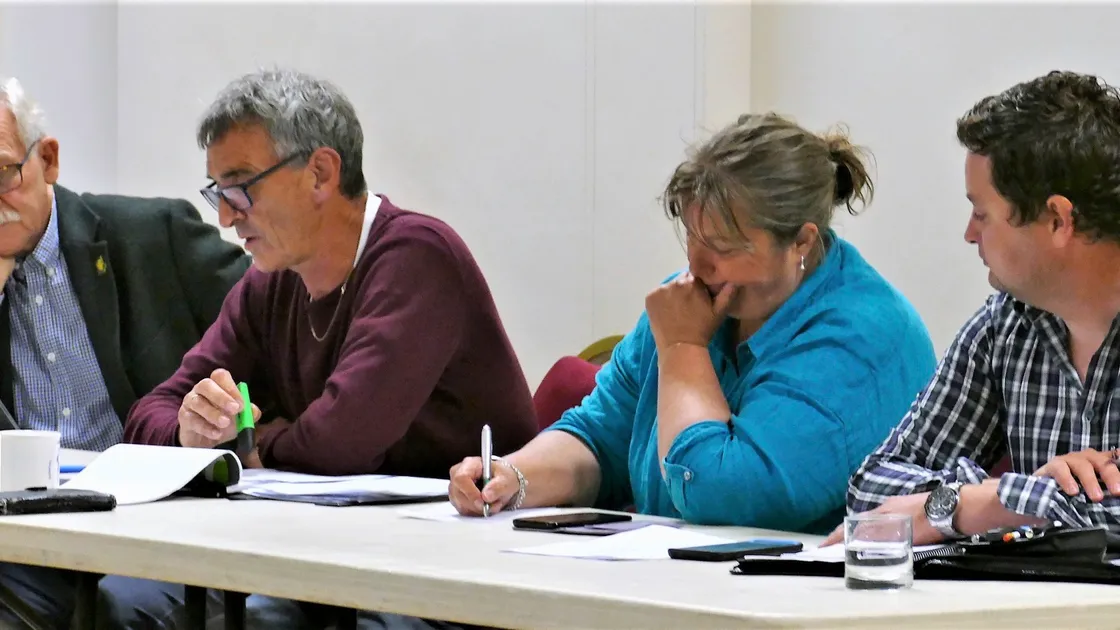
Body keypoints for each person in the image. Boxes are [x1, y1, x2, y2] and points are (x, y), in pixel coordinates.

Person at [123, 68, 537, 628]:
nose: (224, 216)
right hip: (326, 550)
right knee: (132, 602)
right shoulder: (269, 282)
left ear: (320, 173)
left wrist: (250, 442)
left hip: (461, 564)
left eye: (241, 187)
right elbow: (149, 412)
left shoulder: (417, 257)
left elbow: (341, 443)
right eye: (217, 191)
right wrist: (188, 432)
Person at [448, 112, 937, 534]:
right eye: (692, 237)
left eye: (723, 248)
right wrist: (513, 477)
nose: (697, 267)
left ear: (802, 242)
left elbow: (716, 495)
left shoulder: (864, 338)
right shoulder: (694, 298)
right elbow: (600, 436)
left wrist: (683, 346)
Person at [0, 78, 251, 628]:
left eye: (2, 176)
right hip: (31, 530)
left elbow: (279, 318)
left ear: (48, 159)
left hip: (164, 518)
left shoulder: (152, 233)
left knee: (120, 606)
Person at [831, 70, 1120, 547]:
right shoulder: (1005, 324)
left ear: (1057, 219)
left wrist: (990, 503)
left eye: (982, 213)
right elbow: (870, 490)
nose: (969, 234)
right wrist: (989, 499)